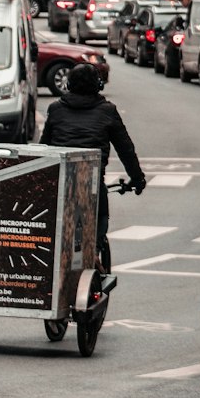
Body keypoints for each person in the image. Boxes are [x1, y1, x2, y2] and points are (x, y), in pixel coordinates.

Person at [41, 63, 146, 257]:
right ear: (98, 85)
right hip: (91, 183)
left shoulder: (55, 109)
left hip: (59, 183)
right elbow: (126, 150)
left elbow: (43, 148)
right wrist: (137, 179)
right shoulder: (107, 111)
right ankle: (95, 252)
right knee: (101, 216)